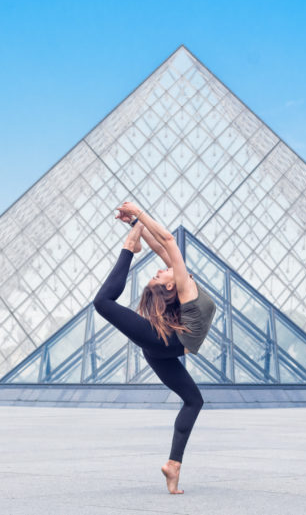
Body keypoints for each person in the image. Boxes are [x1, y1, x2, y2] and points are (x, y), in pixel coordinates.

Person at [93, 201, 216, 495]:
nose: (162, 268)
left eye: (160, 273)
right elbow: (167, 241)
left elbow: (163, 245)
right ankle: (127, 248)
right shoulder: (184, 285)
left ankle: (173, 467)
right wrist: (137, 219)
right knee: (102, 303)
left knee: (193, 400)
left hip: (163, 348)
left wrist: (137, 220)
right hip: (165, 344)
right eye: (160, 275)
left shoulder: (183, 281)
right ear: (172, 287)